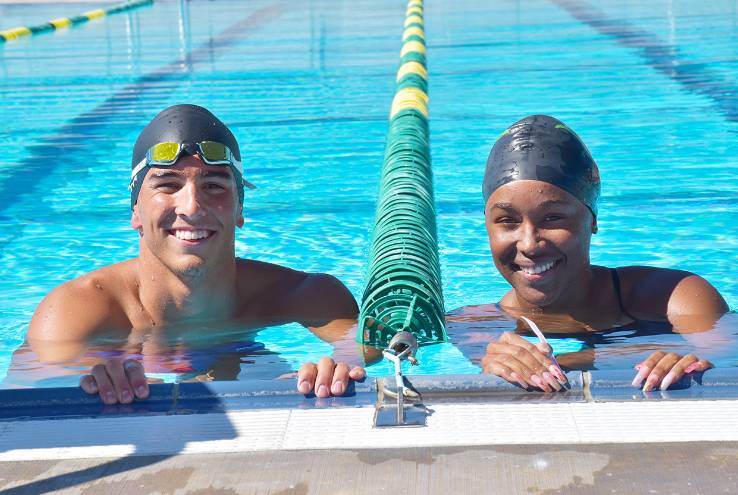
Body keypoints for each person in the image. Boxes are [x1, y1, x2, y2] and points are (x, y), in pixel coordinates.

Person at [25, 104, 365, 404]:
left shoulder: (303, 295)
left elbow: (372, 350)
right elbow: (29, 388)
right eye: (167, 185)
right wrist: (84, 379)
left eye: (214, 186)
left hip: (245, 359)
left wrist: (336, 370)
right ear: (135, 213)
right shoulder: (75, 310)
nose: (191, 206)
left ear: (239, 210)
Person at [451, 114, 728, 393]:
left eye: (553, 218)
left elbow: (727, 350)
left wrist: (687, 359)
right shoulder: (471, 324)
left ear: (592, 220)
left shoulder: (671, 296)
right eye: (507, 220)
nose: (529, 244)